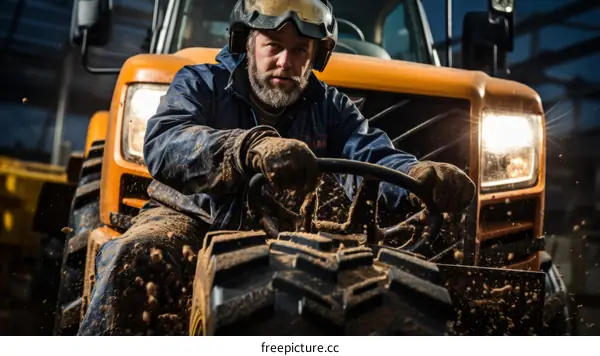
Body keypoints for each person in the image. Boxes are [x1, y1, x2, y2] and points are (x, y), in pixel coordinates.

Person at [78, 0, 475, 336]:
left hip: (297, 229)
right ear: (247, 44)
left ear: (316, 56)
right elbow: (164, 144)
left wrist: (416, 177)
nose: (285, 62)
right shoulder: (200, 82)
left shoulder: (331, 107)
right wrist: (249, 148)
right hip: (191, 218)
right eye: (273, 45)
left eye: (300, 49)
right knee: (137, 255)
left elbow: (369, 156)